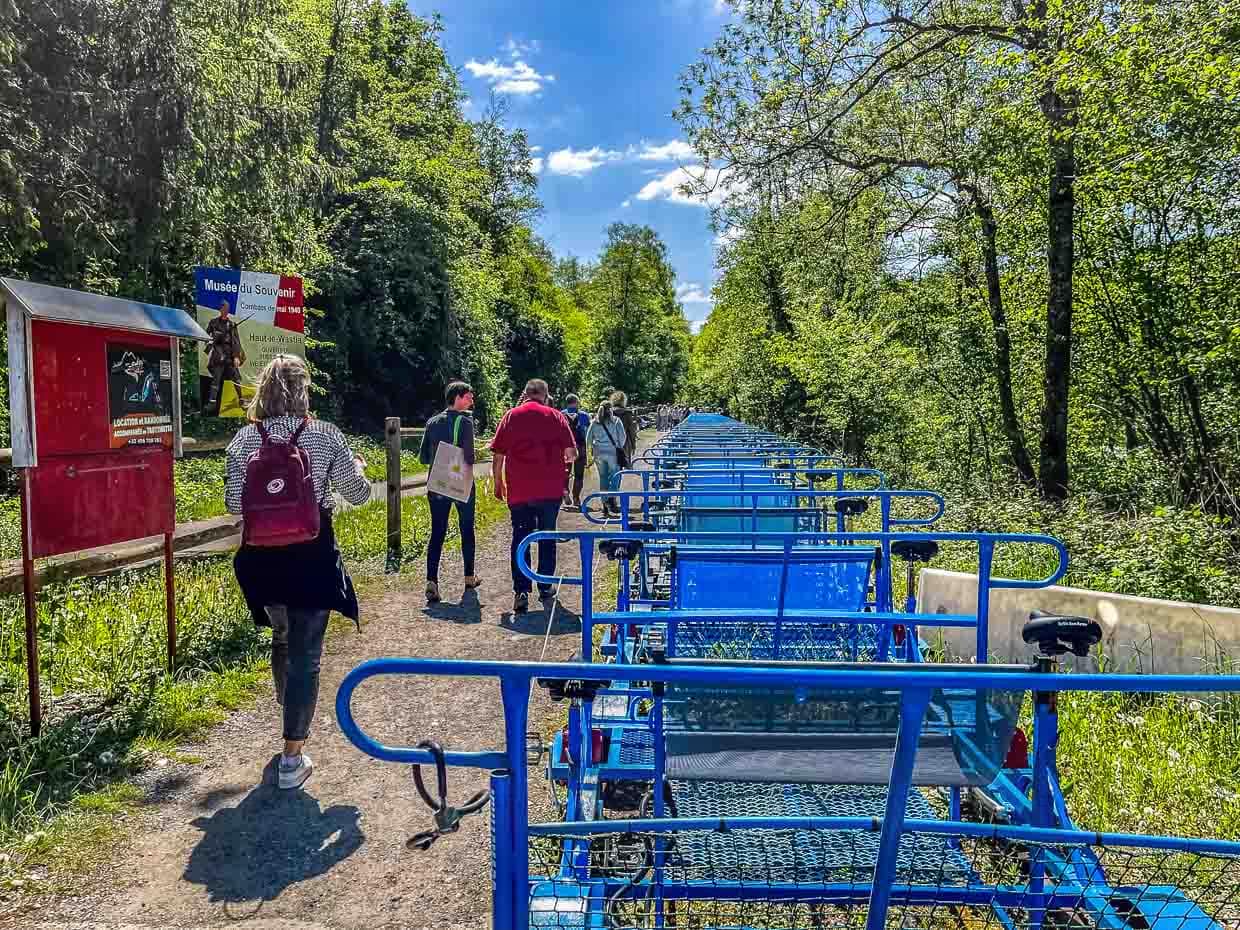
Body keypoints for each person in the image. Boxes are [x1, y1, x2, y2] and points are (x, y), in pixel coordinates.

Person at [226, 354, 371, 790]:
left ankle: (288, 714)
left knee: (283, 640)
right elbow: (360, 494)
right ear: (303, 390)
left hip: (262, 559)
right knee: (306, 655)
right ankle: (292, 758)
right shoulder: (324, 434)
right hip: (311, 554)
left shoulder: (241, 440)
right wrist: (358, 470)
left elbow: (235, 505)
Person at [489, 378, 578, 615]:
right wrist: (560, 465)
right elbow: (572, 453)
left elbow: (498, 454)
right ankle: (545, 585)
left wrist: (499, 482)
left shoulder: (511, 416)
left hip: (519, 490)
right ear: (545, 395)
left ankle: (521, 590)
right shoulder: (556, 417)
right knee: (547, 536)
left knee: (520, 537)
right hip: (549, 490)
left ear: (526, 394)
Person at [419, 381, 480, 604]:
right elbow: (470, 458)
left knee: (437, 532)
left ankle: (431, 581)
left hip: (437, 484)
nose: (472, 400)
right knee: (466, 530)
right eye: (469, 396)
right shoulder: (465, 422)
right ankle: (469, 577)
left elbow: (423, 458)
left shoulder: (432, 422)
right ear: (457, 397)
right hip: (460, 483)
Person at [586, 401, 627, 518]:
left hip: (599, 454)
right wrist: (618, 446)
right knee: (615, 476)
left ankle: (604, 503)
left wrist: (591, 454)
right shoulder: (616, 421)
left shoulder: (594, 422)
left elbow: (588, 439)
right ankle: (610, 497)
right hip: (612, 453)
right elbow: (622, 437)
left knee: (603, 478)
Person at [206, 299, 245, 414]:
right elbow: (206, 337)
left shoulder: (232, 324)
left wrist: (236, 356)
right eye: (224, 308)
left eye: (227, 309)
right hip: (218, 355)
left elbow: (236, 342)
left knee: (236, 378)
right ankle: (212, 403)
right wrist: (212, 340)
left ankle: (241, 400)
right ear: (220, 309)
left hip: (230, 354)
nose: (226, 311)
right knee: (216, 380)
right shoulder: (213, 323)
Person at [561, 393, 591, 509]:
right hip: (580, 448)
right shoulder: (584, 416)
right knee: (579, 475)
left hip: (565, 449)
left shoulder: (560, 415)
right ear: (576, 402)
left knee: (565, 473)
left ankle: (565, 491)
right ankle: (576, 498)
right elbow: (588, 433)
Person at [609, 390, 639, 466]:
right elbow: (632, 430)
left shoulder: (608, 412)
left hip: (609, 441)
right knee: (623, 464)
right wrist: (633, 444)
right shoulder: (627, 413)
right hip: (625, 441)